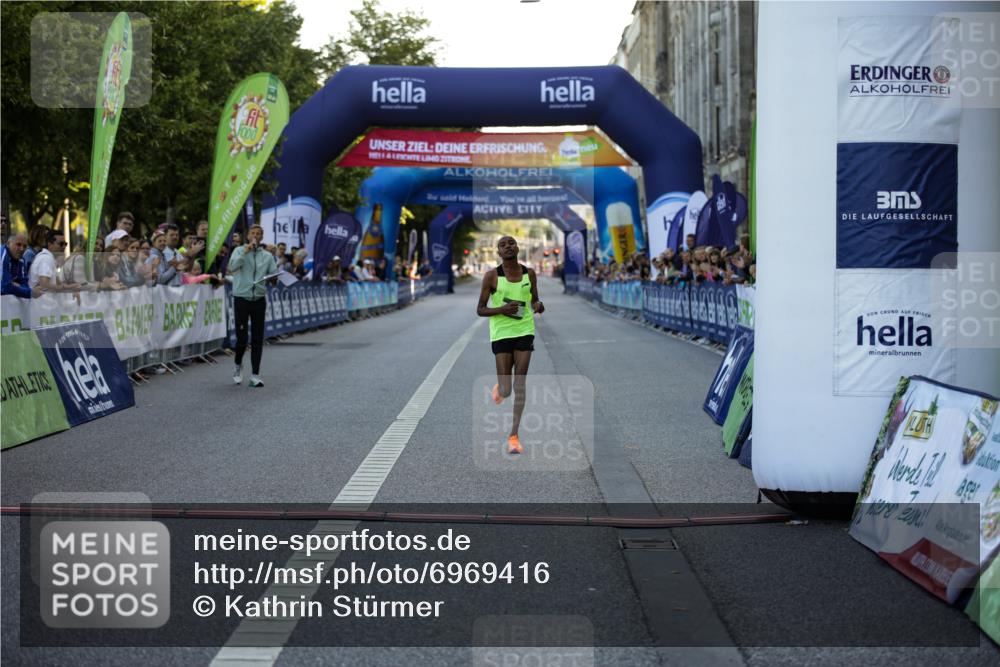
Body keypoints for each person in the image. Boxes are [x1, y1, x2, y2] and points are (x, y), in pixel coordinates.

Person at [476, 235, 544, 455]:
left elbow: (534, 299)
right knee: (506, 389)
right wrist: (502, 310)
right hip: (501, 332)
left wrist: (538, 305)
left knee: (520, 383)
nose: (508, 247)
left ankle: (514, 436)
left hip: (525, 329)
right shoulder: (491, 277)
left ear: (517, 247)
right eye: (503, 245)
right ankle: (501, 388)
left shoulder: (530, 274)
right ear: (498, 252)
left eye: (511, 243)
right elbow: (480, 309)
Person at [227, 224, 277, 388]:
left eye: (259, 234)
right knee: (242, 339)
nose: (255, 236)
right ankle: (237, 365)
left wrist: (276, 278)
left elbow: (273, 275)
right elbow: (232, 268)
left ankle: (255, 375)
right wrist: (245, 251)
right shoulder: (239, 251)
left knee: (257, 339)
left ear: (262, 237)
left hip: (259, 299)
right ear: (248, 236)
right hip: (242, 297)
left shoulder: (268, 256)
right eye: (253, 233)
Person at [1, 232, 37, 298]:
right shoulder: (3, 256)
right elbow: (5, 287)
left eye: (25, 246)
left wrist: (15, 285)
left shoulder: (21, 259)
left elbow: (25, 283)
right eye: (18, 244)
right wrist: (30, 293)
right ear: (8, 243)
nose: (22, 249)